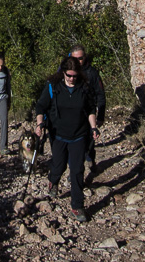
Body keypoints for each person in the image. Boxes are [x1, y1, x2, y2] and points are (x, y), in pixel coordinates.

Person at [35, 56, 99, 222]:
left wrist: (93, 127)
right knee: (59, 165)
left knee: (77, 170)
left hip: (79, 134)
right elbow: (41, 106)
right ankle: (53, 180)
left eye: (74, 76)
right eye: (68, 75)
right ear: (63, 73)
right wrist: (39, 124)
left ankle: (77, 206)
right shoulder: (53, 86)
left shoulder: (84, 88)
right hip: (58, 134)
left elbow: (91, 108)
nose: (71, 79)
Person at [70, 45, 106, 172]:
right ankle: (77, 172)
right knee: (75, 144)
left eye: (80, 58)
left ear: (84, 57)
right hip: (72, 115)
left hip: (88, 113)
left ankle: (90, 160)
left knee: (88, 141)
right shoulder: (67, 72)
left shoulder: (92, 73)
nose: (78, 61)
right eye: (75, 58)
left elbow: (101, 94)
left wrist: (100, 116)